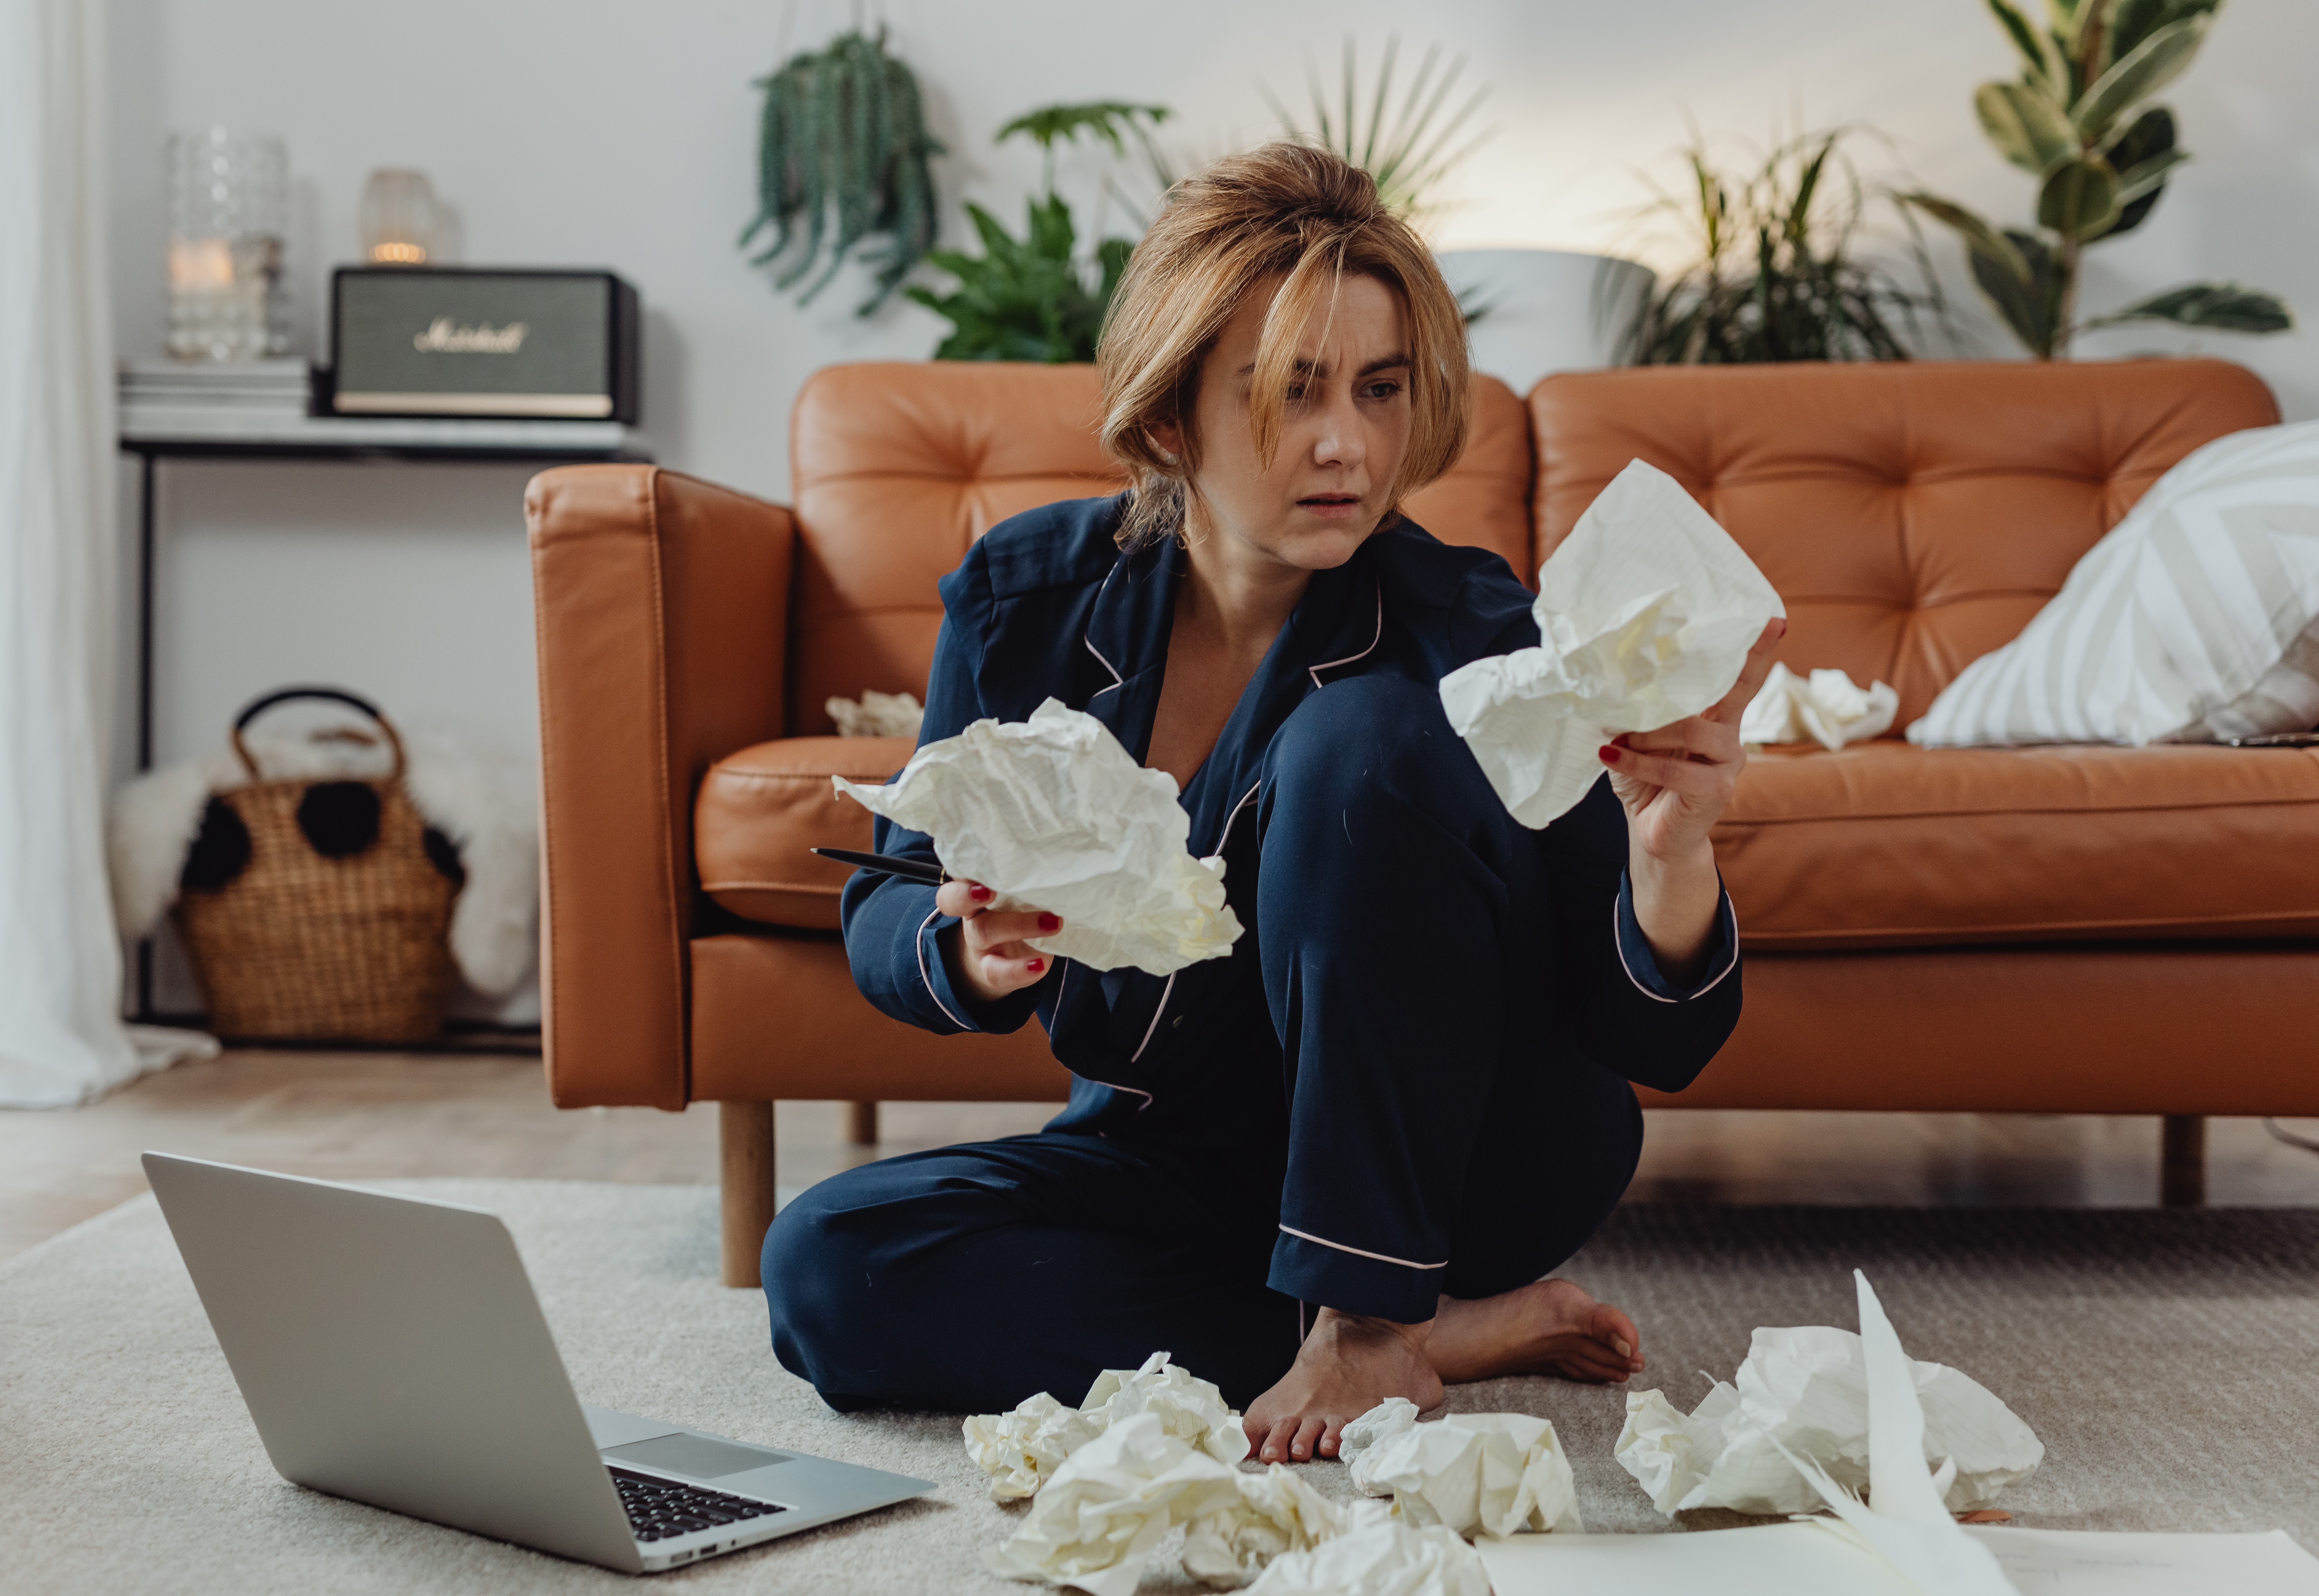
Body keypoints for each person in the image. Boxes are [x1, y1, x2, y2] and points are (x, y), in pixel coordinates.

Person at [763, 142, 1780, 1466]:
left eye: (1378, 388)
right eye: (1289, 393)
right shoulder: (1028, 603)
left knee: (1354, 740)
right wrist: (966, 939)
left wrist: (1673, 853)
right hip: (1180, 1151)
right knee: (830, 1270)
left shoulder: (1475, 633)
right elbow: (887, 911)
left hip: (1463, 1157)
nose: (1347, 444)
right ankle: (1437, 1332)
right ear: (1172, 415)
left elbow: (1652, 1036)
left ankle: (1368, 1317)